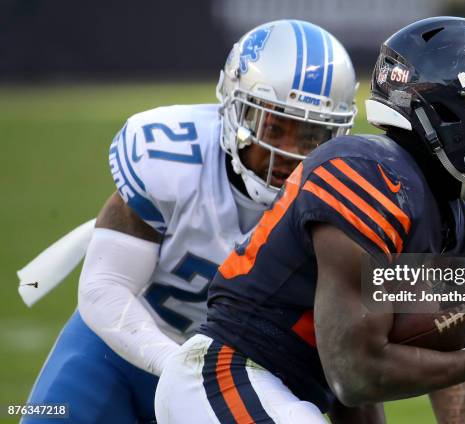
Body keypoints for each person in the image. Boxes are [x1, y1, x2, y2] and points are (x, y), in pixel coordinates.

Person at [155, 16, 465, 424]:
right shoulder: (366, 174)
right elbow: (354, 374)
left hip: (285, 391)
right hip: (225, 376)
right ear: (450, 114)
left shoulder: (454, 215)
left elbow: (353, 382)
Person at [23, 20, 357, 424]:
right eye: (274, 125)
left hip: (241, 380)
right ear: (235, 108)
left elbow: (350, 350)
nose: (286, 150)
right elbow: (104, 287)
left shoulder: (341, 201)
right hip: (121, 353)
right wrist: (182, 370)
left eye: (309, 134)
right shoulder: (171, 156)